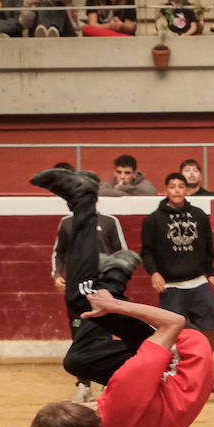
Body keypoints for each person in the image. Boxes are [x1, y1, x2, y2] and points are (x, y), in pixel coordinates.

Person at [28, 289, 214, 427]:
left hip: (190, 392)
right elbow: (174, 322)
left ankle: (100, 298)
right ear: (69, 402)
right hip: (189, 354)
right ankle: (114, 275)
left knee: (77, 362)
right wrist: (114, 305)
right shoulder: (124, 386)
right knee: (91, 302)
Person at [35, 165, 152, 394]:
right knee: (81, 298)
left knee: (77, 357)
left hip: (148, 361)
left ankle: (115, 273)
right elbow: (175, 324)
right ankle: (83, 201)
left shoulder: (109, 221)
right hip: (159, 352)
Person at [140, 172, 214, 391]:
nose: (177, 190)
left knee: (211, 329)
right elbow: (147, 252)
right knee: (177, 332)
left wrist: (210, 272)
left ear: (186, 190)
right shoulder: (153, 220)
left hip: (197, 281)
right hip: (171, 286)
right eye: (172, 186)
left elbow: (207, 246)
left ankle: (206, 369)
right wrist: (154, 273)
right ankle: (174, 373)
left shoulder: (199, 216)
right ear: (165, 190)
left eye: (180, 186)